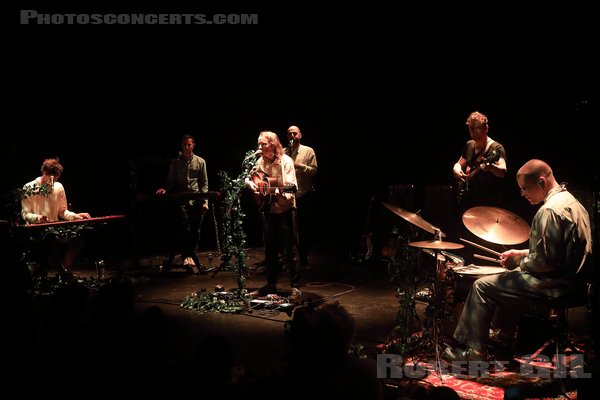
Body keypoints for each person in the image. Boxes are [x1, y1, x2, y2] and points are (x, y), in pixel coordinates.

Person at [443, 159, 592, 362]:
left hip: (555, 286)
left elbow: (545, 263)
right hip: (576, 284)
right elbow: (557, 252)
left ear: (541, 182)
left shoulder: (548, 211)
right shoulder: (574, 204)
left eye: (525, 188)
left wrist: (519, 262)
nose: (522, 194)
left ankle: (474, 352)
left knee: (482, 285)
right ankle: (503, 341)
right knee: (508, 281)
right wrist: (522, 253)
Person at [245, 130, 299, 295]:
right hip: (269, 210)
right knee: (270, 250)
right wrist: (252, 186)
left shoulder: (286, 162)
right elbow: (249, 177)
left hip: (285, 210)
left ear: (273, 145)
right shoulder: (260, 161)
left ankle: (295, 287)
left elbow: (292, 188)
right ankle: (271, 284)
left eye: (263, 144)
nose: (259, 146)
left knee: (290, 250)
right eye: (259, 143)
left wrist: (275, 190)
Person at [21, 158, 91, 281]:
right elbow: (25, 214)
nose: (52, 181)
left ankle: (65, 267)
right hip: (37, 232)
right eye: (50, 177)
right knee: (50, 238)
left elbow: (62, 211)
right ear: (44, 172)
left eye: (55, 178)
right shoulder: (28, 187)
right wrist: (38, 218)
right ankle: (63, 273)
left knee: (78, 238)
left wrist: (75, 215)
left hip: (54, 229)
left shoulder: (58, 187)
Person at [451, 111, 508, 263]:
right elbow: (460, 163)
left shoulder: (496, 148)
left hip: (486, 202)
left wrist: (490, 167)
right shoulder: (469, 145)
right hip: (468, 200)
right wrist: (456, 169)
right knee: (464, 238)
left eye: (478, 129)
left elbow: (503, 171)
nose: (474, 133)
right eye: (471, 129)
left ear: (486, 128)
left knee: (484, 241)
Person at [156, 134, 209, 273]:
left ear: (193, 145)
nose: (187, 147)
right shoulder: (175, 163)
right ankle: (187, 256)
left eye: (189, 144)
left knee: (196, 229)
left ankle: (193, 254)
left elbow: (204, 184)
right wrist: (165, 190)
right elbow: (170, 183)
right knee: (184, 227)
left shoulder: (200, 161)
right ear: (181, 146)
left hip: (197, 199)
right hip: (182, 200)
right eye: (185, 145)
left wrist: (205, 202)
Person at [284, 125, 318, 266]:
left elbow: (314, 171)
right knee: (287, 228)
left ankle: (303, 258)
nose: (292, 136)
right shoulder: (284, 152)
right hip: (288, 195)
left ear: (300, 135)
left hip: (304, 194)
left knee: (303, 228)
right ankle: (289, 258)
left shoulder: (308, 150)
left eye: (294, 133)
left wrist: (300, 166)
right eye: (289, 134)